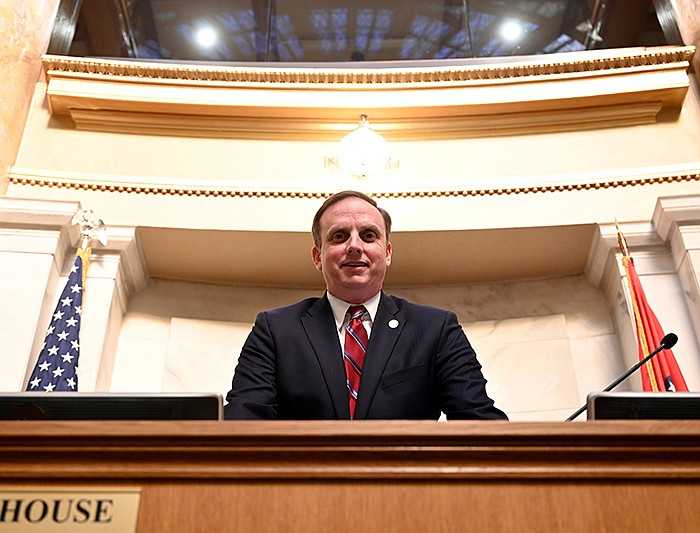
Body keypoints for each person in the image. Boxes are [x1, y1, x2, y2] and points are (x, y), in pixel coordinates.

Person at [224, 190, 507, 420]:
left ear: (387, 253)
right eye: (339, 236)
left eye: (369, 236)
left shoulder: (436, 329)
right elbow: (241, 424)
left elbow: (480, 422)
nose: (354, 246)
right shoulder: (275, 330)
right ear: (317, 256)